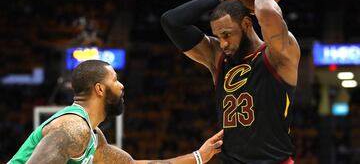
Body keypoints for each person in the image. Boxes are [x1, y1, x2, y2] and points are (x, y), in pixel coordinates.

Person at [161, 0, 300, 164]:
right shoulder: (217, 56)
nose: (222, 43)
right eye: (218, 36)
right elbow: (171, 21)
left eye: (227, 35)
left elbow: (268, 14)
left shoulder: (278, 53)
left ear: (246, 24)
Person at [8, 60, 223, 164]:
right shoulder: (73, 128)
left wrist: (198, 156)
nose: (122, 86)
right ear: (99, 89)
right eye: (115, 80)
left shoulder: (92, 137)